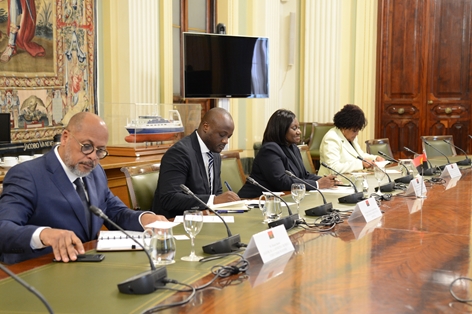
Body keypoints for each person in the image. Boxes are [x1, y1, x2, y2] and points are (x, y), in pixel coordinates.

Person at [0, 112, 167, 264]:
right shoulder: (28, 175)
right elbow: (4, 228)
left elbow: (115, 212)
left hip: (89, 267)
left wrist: (144, 218)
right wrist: (43, 234)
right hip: (39, 271)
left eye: (100, 151)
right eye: (87, 146)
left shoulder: (96, 172)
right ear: (65, 137)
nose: (93, 157)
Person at [152, 107, 240, 218]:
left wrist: (224, 201)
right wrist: (214, 200)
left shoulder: (215, 153)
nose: (225, 141)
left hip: (206, 219)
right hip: (174, 222)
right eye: (222, 135)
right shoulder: (179, 153)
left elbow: (216, 191)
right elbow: (170, 198)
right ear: (206, 127)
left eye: (229, 137)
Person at [238, 109, 337, 199]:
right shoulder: (270, 150)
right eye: (294, 128)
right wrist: (317, 184)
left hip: (280, 200)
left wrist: (326, 180)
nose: (299, 132)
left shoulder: (293, 148)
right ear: (281, 130)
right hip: (255, 200)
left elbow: (304, 175)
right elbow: (281, 181)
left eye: (299, 128)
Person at [317, 104, 385, 176]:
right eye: (354, 130)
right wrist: (361, 164)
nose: (357, 134)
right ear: (344, 127)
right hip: (332, 182)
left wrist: (375, 158)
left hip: (349, 179)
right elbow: (333, 168)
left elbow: (360, 155)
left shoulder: (350, 137)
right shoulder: (331, 138)